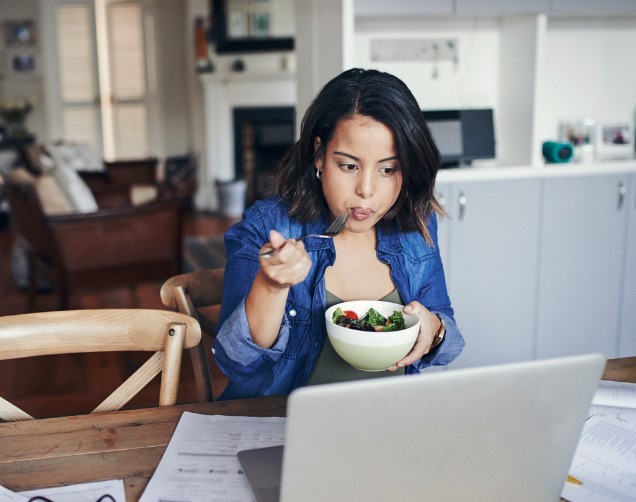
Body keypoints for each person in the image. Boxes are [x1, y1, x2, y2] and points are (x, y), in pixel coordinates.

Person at [214, 68, 465, 400]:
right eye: (349, 166)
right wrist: (272, 285)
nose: (366, 190)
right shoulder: (269, 225)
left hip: (393, 422)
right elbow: (235, 361)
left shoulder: (415, 224)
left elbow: (447, 332)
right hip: (287, 430)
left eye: (388, 169)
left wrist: (434, 329)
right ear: (320, 155)